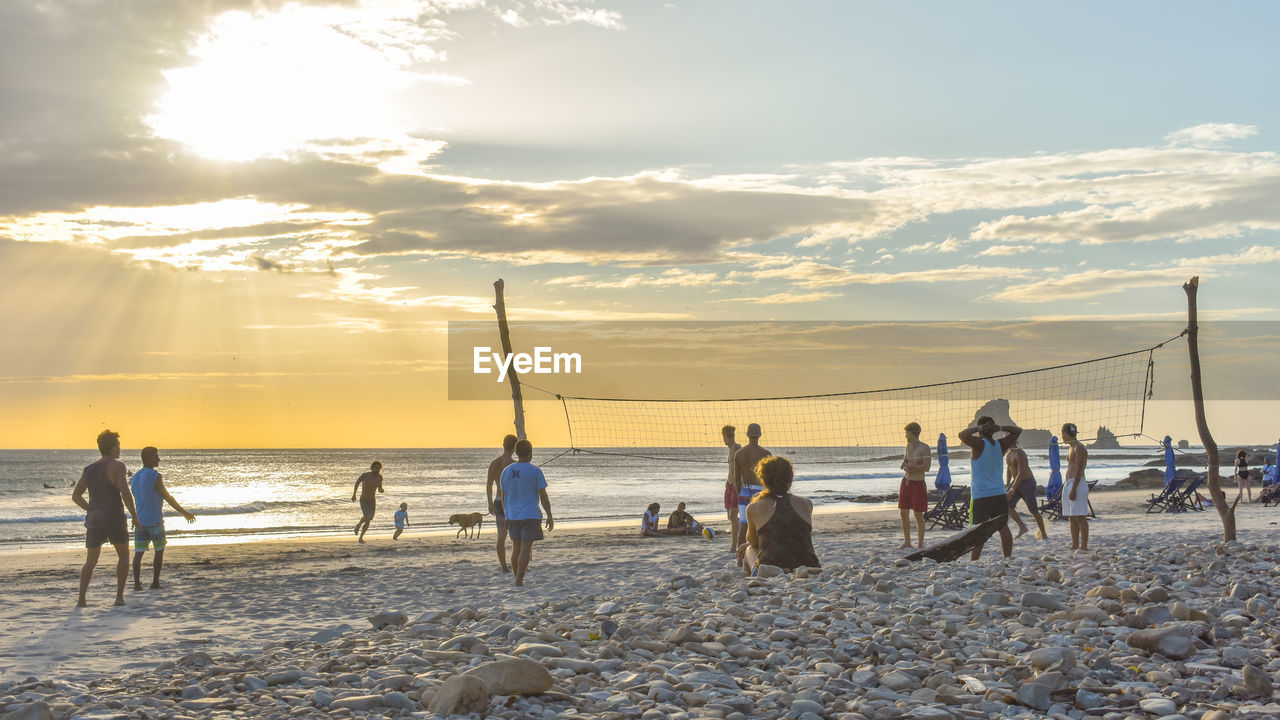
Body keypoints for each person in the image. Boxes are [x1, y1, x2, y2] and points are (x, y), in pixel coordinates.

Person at [71, 430, 138, 607]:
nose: (120, 449)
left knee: (90, 561)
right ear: (113, 447)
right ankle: (119, 597)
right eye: (119, 445)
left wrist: (91, 509)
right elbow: (125, 493)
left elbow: (76, 496)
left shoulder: (89, 469)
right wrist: (135, 517)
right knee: (123, 556)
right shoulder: (118, 466)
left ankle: (81, 599)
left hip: (95, 519)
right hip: (114, 516)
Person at [736, 456, 819, 575]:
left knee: (748, 549)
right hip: (807, 565)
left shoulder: (753, 508)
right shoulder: (807, 504)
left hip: (772, 564)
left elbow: (754, 543)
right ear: (790, 480)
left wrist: (749, 543)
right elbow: (795, 535)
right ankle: (792, 569)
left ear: (763, 481)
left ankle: (753, 584)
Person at [130, 447, 196, 590]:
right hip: (154, 521)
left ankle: (136, 584)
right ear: (147, 459)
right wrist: (184, 512)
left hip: (140, 521)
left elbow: (136, 500)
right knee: (159, 550)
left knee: (138, 554)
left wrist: (134, 517)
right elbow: (168, 497)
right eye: (155, 456)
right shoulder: (155, 476)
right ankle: (155, 582)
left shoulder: (134, 477)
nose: (158, 459)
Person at [958, 416, 1020, 560]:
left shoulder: (978, 444)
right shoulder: (1001, 444)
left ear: (981, 430)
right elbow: (1017, 431)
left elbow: (962, 435)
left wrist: (980, 428)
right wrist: (999, 428)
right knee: (1003, 526)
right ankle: (1007, 558)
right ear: (992, 430)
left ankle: (974, 560)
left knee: (978, 530)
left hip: (981, 494)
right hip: (998, 492)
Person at [499, 439, 553, 587]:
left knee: (516, 547)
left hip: (512, 515)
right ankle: (518, 580)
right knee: (525, 548)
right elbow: (543, 496)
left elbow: (503, 497)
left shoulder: (506, 472)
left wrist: (506, 515)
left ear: (516, 453)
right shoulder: (535, 471)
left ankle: (517, 579)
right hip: (530, 514)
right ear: (530, 453)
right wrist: (549, 515)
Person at [732, 423, 771, 565]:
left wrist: (739, 494)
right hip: (759, 491)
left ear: (747, 435)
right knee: (762, 525)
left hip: (745, 490)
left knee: (743, 524)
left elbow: (737, 479)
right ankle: (761, 556)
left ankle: (740, 560)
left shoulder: (739, 454)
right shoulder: (766, 453)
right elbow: (768, 478)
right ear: (760, 435)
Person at [1004, 437, 1047, 540]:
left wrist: (1012, 490)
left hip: (1027, 483)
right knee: (1006, 505)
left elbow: (1021, 473)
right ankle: (1022, 527)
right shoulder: (1008, 454)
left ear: (1013, 440)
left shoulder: (1020, 453)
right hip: (1016, 483)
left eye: (1007, 438)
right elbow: (1009, 469)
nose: (1005, 441)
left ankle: (1043, 533)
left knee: (1033, 510)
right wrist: (1007, 485)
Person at [486, 435, 517, 572]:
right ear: (515, 447)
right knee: (516, 537)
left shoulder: (494, 463)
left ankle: (504, 567)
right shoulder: (514, 465)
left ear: (503, 445)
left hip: (498, 501)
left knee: (501, 536)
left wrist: (489, 503)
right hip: (511, 502)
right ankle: (514, 563)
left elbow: (489, 485)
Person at [898, 422, 931, 549]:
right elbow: (905, 461)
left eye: (907, 433)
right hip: (906, 482)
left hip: (918, 483)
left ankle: (920, 544)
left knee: (918, 514)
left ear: (912, 433)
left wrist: (912, 468)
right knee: (903, 513)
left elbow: (927, 467)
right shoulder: (908, 446)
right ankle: (907, 542)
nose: (905, 436)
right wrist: (904, 465)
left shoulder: (925, 447)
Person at [1061, 423, 1090, 551]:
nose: (1062, 436)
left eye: (1062, 433)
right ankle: (1075, 544)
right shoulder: (1071, 448)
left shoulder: (1079, 448)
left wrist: (1073, 488)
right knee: (1071, 516)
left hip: (1077, 484)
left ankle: (1083, 546)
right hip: (1069, 483)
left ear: (1067, 434)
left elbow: (1079, 469)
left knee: (1080, 516)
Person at [351, 461, 384, 544]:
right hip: (364, 499)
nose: (378, 470)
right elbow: (357, 483)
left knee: (368, 520)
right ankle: (358, 526)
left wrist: (381, 490)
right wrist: (354, 495)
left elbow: (380, 488)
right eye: (376, 468)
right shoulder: (365, 475)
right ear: (372, 468)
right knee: (367, 516)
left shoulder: (380, 477)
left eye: (379, 469)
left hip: (372, 500)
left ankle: (361, 538)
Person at [722, 426, 742, 557]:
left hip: (736, 485)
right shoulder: (730, 450)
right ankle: (739, 542)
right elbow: (731, 469)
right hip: (729, 484)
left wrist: (737, 484)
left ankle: (734, 546)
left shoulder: (737, 448)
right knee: (730, 516)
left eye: (724, 435)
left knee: (734, 516)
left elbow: (742, 467)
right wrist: (728, 481)